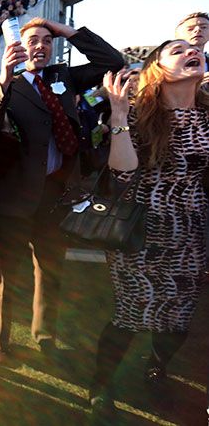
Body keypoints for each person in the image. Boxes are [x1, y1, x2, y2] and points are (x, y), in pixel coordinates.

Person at [0, 17, 124, 363]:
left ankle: (44, 336)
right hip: (14, 200)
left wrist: (67, 32)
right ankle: (0, 342)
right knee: (6, 276)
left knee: (51, 272)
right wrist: (3, 78)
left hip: (57, 196)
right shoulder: (3, 83)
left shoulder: (64, 76)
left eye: (46, 41)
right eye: (33, 41)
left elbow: (113, 63)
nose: (40, 46)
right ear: (18, 46)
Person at [89, 40, 209, 417]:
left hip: (191, 231)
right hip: (141, 231)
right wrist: (120, 116)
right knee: (130, 314)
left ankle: (157, 363)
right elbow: (123, 172)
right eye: (177, 50)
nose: (192, 51)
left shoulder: (207, 115)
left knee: (178, 319)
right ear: (158, 68)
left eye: (195, 48)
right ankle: (100, 386)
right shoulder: (141, 112)